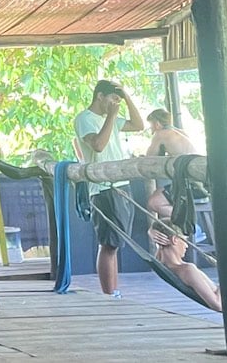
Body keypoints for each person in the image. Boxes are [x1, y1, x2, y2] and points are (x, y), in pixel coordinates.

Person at [74, 78, 145, 297]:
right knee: (109, 243)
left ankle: (114, 291)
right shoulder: (85, 119)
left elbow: (138, 125)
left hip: (121, 183)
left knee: (117, 242)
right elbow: (98, 144)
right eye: (112, 100)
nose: (114, 105)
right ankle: (109, 293)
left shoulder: (110, 118)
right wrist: (112, 116)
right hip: (103, 188)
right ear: (100, 97)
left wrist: (127, 96)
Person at [148, 219, 222, 312]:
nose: (186, 246)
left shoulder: (159, 264)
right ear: (175, 239)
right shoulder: (187, 270)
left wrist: (151, 231)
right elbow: (218, 305)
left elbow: (162, 231)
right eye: (185, 240)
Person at [143, 108, 204, 218]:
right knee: (159, 192)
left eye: (151, 125)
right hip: (202, 182)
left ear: (156, 124)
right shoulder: (180, 132)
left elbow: (149, 158)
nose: (151, 128)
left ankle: (187, 220)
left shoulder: (160, 134)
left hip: (193, 185)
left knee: (153, 202)